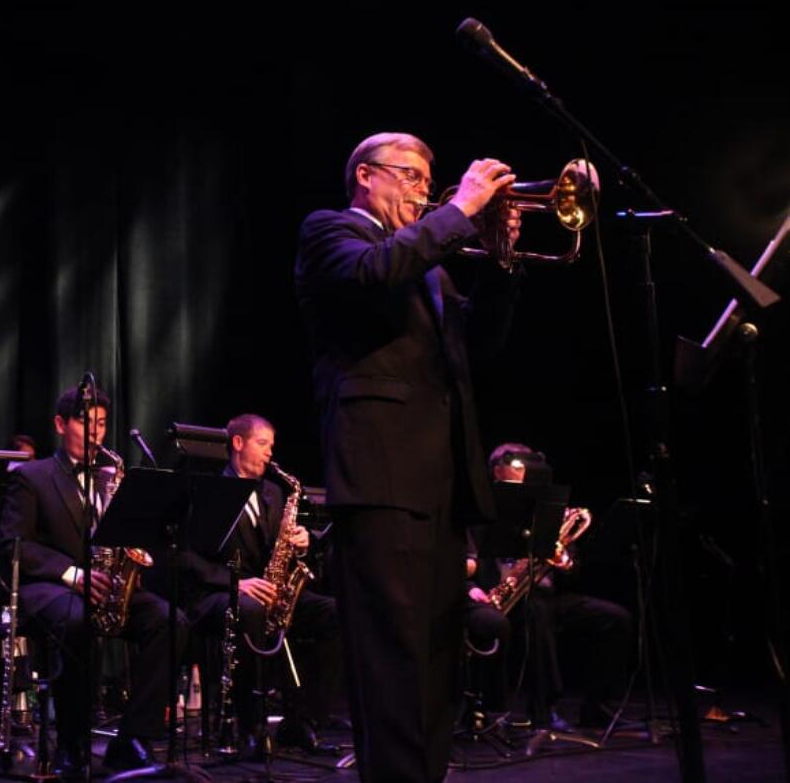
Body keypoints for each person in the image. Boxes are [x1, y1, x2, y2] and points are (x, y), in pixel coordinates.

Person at [294, 132, 522, 782]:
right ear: (367, 175)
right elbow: (372, 274)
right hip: (380, 476)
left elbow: (476, 350)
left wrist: (502, 264)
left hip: (440, 480)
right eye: (413, 178)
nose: (426, 192)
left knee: (436, 660)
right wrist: (462, 210)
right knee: (392, 661)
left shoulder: (431, 265)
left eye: (431, 180)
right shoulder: (332, 231)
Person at [0, 386, 186, 775]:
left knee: (171, 620)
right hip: (48, 587)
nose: (96, 432)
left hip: (103, 585)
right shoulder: (31, 476)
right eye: (85, 422)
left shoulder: (111, 476)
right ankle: (71, 742)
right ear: (61, 425)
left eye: (101, 424)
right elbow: (10, 544)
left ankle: (132, 738)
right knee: (77, 619)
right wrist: (73, 574)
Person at [183, 414, 339, 755]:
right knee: (250, 611)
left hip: (268, 590)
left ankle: (302, 720)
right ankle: (249, 725)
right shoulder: (209, 491)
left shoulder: (273, 491)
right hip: (217, 594)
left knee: (334, 613)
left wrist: (303, 541)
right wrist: (237, 584)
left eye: (272, 445)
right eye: (262, 444)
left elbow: (278, 553)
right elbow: (189, 557)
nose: (270, 453)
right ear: (238, 444)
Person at [474, 443, 632, 730]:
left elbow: (573, 571)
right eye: (519, 468)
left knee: (615, 618)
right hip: (504, 598)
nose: (526, 476)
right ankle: (543, 713)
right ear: (497, 470)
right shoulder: (483, 512)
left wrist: (565, 561)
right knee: (537, 613)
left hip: (548, 593)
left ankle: (598, 708)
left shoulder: (544, 509)